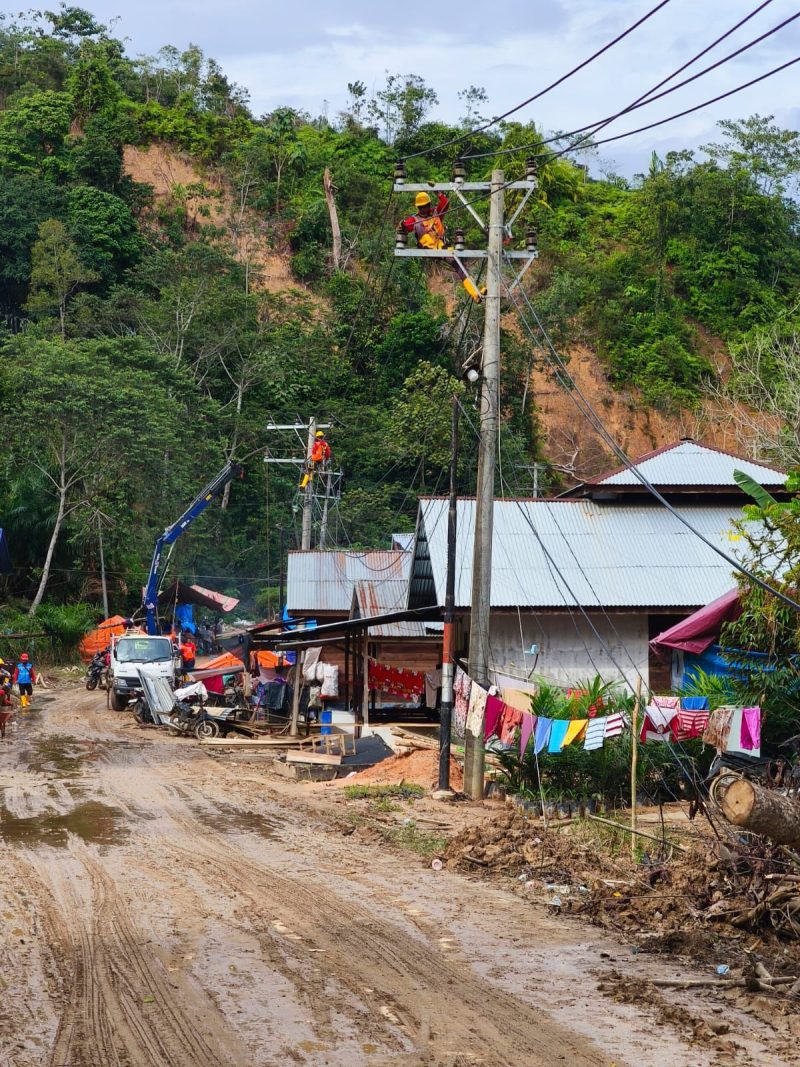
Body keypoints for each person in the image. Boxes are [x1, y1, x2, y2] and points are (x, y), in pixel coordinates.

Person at [399, 191, 484, 303]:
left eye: (426, 206)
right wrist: (403, 225)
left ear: (429, 205)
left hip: (442, 246)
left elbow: (445, 203)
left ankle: (475, 293)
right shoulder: (414, 220)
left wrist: (438, 193)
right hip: (428, 249)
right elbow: (405, 226)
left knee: (459, 266)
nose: (424, 209)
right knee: (418, 225)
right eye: (421, 207)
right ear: (418, 208)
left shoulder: (436, 213)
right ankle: (475, 293)